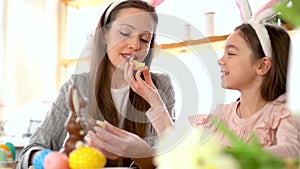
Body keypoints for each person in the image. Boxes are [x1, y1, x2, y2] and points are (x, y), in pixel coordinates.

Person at [19, 0, 176, 168]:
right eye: (125, 32)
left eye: (145, 39)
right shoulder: (77, 86)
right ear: (104, 36)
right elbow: (30, 151)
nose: (135, 45)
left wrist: (141, 153)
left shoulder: (161, 86)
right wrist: (48, 160)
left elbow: (174, 161)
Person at [188, 22, 300, 158]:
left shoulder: (284, 114)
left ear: (262, 65)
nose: (221, 61)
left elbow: (293, 150)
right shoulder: (220, 116)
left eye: (230, 53)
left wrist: (231, 156)